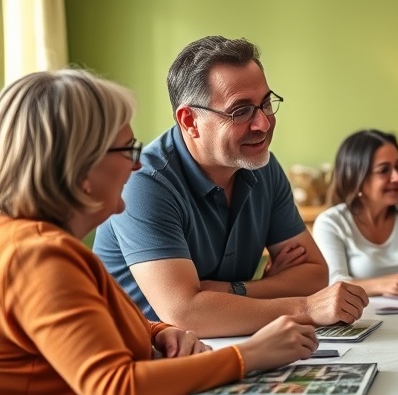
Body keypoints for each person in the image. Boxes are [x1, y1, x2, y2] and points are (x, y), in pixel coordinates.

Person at [0, 70, 318, 395]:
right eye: (126, 150)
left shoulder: (33, 243)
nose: (136, 166)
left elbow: (94, 321)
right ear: (81, 168)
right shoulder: (40, 256)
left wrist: (153, 331)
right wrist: (249, 355)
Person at [93, 36, 367, 337]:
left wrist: (227, 292)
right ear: (189, 120)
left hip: (229, 344)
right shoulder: (144, 181)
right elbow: (186, 314)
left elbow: (314, 274)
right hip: (144, 357)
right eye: (241, 111)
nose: (263, 123)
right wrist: (304, 307)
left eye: (265, 103)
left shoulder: (262, 166)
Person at [312, 130, 398, 300]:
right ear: (356, 177)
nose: (397, 177)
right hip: (362, 319)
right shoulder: (330, 223)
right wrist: (382, 284)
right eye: (384, 170)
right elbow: (334, 284)